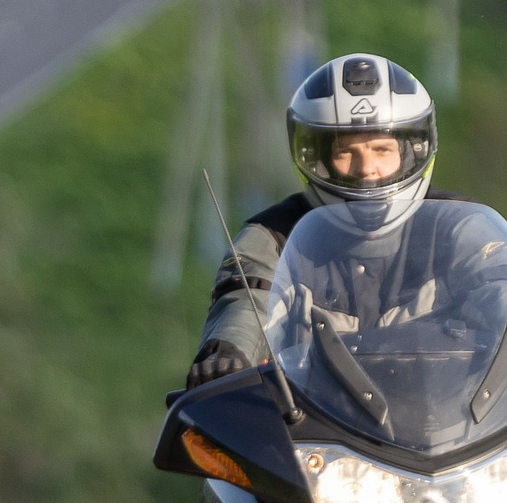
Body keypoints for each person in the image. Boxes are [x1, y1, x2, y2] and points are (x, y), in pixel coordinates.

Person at [184, 52, 451, 391]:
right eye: (346, 152)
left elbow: (505, 290)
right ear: (319, 160)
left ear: (412, 152)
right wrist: (226, 353)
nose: (366, 168)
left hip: (448, 428)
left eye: (382, 150)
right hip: (307, 431)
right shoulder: (273, 236)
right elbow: (247, 303)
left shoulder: (455, 229)